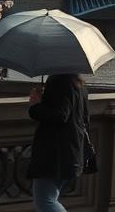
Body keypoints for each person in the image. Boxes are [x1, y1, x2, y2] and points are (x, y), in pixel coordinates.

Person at [27, 74, 89, 212]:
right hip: (71, 153)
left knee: (45, 202)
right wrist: (46, 100)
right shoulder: (79, 84)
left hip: (55, 156)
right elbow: (84, 117)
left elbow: (60, 116)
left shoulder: (59, 81)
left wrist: (36, 105)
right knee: (48, 199)